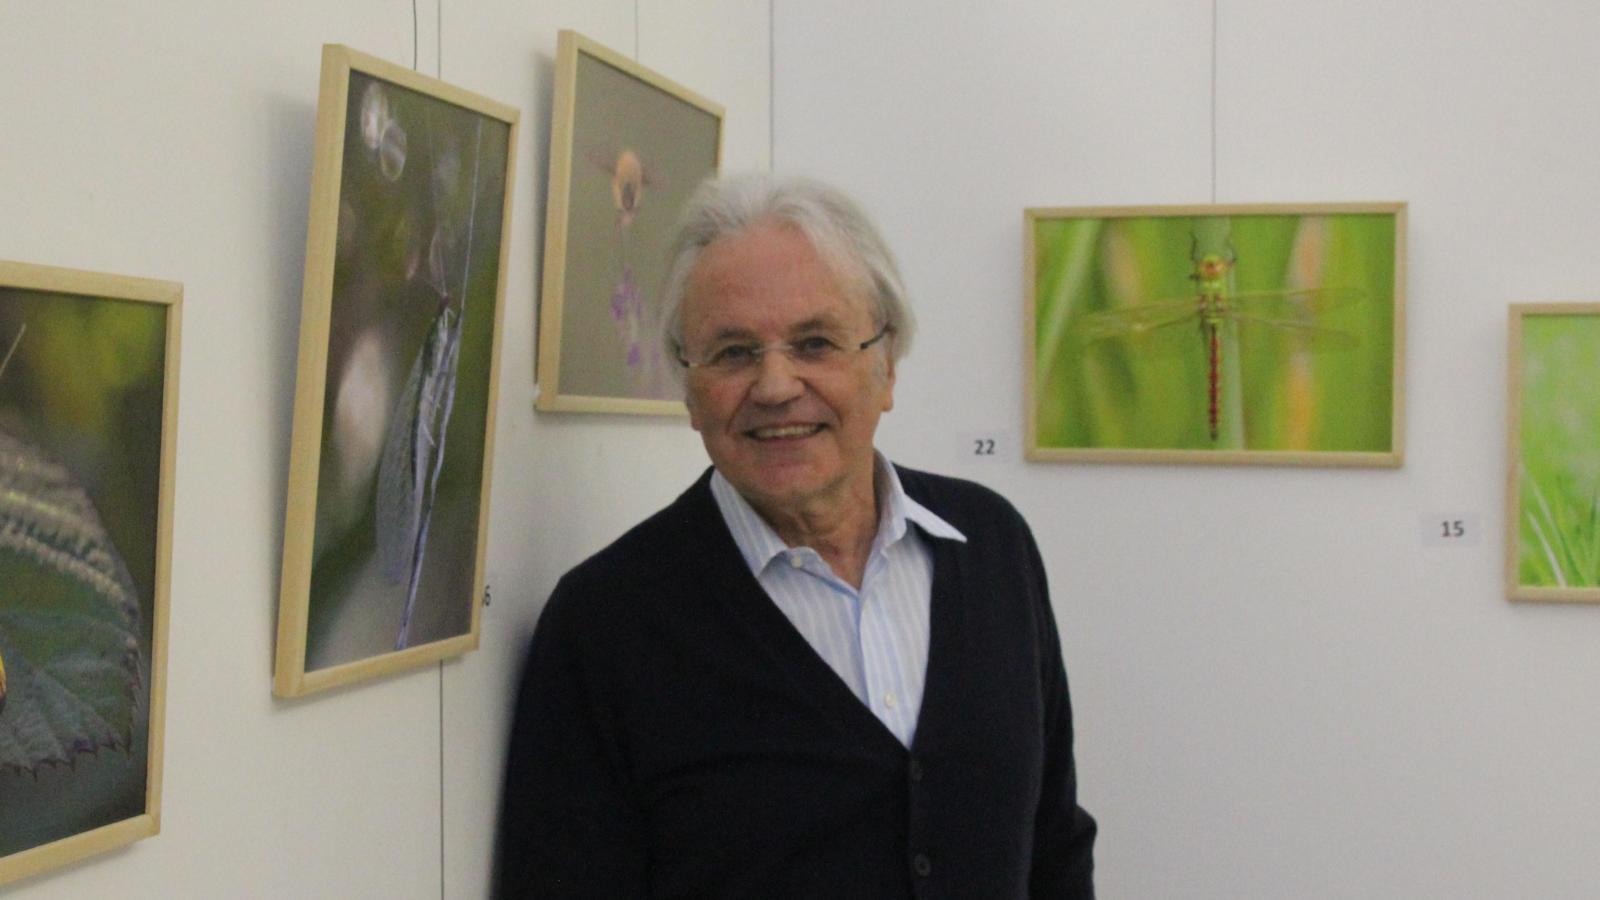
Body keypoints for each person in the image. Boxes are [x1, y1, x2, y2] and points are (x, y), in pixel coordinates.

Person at [496, 175, 1096, 898]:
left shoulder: (993, 545)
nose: (776, 386)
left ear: (886, 365)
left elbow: (1055, 844)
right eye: (733, 353)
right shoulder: (605, 624)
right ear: (689, 390)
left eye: (815, 343)